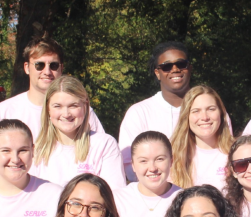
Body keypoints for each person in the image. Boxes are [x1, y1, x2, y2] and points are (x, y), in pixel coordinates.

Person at [0, 37, 103, 142]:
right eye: (39, 65)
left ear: (61, 68)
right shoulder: (4, 111)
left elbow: (101, 148)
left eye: (53, 65)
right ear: (27, 68)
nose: (47, 71)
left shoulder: (81, 112)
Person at [32, 76, 126, 190]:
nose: (66, 114)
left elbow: (114, 193)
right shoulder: (36, 150)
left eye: (73, 106)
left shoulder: (104, 145)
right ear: (48, 109)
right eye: (57, 106)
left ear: (85, 106)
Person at [117, 42, 194, 181]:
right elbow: (128, 163)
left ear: (190, 68)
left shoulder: (209, 111)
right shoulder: (139, 113)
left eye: (181, 64)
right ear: (157, 73)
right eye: (166, 66)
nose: (175, 69)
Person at [113, 131, 181, 217]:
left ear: (171, 161)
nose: (152, 168)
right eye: (143, 161)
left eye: (160, 159)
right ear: (133, 165)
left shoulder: (185, 199)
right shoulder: (117, 200)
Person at [169, 85, 233, 189]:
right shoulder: (173, 157)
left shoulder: (237, 152)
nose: (205, 117)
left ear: (221, 113)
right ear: (186, 116)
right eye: (196, 111)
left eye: (211, 109)